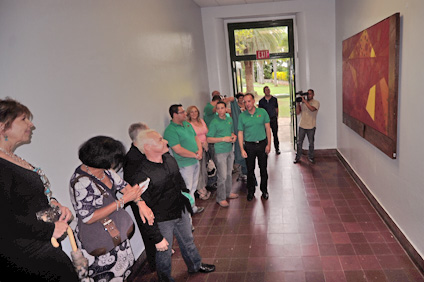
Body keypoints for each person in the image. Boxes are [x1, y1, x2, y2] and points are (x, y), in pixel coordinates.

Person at [0, 98, 78, 281]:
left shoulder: (10, 158)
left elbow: (27, 203)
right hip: (26, 254)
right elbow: (4, 220)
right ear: (3, 126)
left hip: (40, 247)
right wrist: (48, 230)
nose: (31, 124)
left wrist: (55, 207)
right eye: (24, 119)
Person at [125, 129, 215, 282]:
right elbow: (144, 211)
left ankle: (195, 265)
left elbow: (178, 181)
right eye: (160, 140)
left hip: (179, 210)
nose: (166, 141)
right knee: (164, 252)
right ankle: (165, 279)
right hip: (161, 219)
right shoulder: (141, 175)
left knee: (188, 241)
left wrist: (186, 197)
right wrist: (156, 237)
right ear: (147, 147)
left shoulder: (169, 159)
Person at [69, 136, 154, 281]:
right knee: (108, 276)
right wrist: (122, 202)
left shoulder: (106, 171)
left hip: (115, 230)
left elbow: (125, 187)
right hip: (99, 237)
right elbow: (88, 217)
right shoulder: (81, 183)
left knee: (124, 270)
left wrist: (140, 203)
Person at [123, 122, 158, 271]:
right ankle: (155, 265)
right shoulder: (132, 157)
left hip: (150, 199)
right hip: (141, 201)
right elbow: (132, 183)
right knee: (148, 232)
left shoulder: (142, 151)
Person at [163, 104, 204, 214]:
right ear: (175, 115)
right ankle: (187, 216)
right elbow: (178, 149)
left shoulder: (187, 124)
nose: (185, 114)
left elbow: (196, 138)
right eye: (182, 112)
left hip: (195, 160)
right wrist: (195, 155)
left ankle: (193, 208)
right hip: (184, 165)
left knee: (193, 187)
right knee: (187, 189)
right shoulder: (170, 130)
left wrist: (199, 151)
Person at [238, 93, 272, 201]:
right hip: (249, 146)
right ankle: (251, 191)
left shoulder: (262, 112)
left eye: (249, 101)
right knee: (250, 170)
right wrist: (242, 149)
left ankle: (264, 190)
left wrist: (269, 144)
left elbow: (268, 129)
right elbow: (240, 133)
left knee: (263, 169)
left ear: (253, 101)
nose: (247, 104)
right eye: (245, 102)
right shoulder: (242, 116)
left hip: (262, 144)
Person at [207, 101, 239, 207]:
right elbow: (209, 139)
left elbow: (231, 132)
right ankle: (220, 198)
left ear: (226, 109)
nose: (220, 110)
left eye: (222, 108)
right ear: (216, 110)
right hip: (220, 152)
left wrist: (233, 136)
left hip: (230, 149)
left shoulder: (229, 119)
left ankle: (228, 193)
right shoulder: (214, 122)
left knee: (229, 174)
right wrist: (223, 139)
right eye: (218, 108)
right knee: (223, 176)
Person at [186, 105, 211, 200]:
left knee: (204, 169)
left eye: (195, 111)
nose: (194, 113)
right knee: (199, 171)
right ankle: (201, 191)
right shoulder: (187, 124)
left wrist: (206, 142)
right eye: (191, 112)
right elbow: (190, 138)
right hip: (197, 149)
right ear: (188, 113)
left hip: (206, 148)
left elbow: (207, 132)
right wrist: (201, 144)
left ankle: (203, 187)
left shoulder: (202, 121)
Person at [294, 89, 320, 164]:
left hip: (311, 126)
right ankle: (298, 157)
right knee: (299, 142)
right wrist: (298, 104)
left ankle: (311, 157)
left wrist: (304, 101)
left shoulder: (316, 102)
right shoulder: (303, 103)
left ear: (313, 94)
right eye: (307, 94)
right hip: (302, 125)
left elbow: (312, 109)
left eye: (310, 94)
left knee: (311, 143)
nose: (308, 95)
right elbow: (298, 113)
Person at [230, 93, 248, 181]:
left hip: (247, 134)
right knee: (240, 153)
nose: (241, 100)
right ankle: (242, 173)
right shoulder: (236, 109)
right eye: (240, 98)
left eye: (242, 98)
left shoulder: (247, 107)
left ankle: (247, 172)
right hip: (240, 135)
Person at [259, 86, 280, 155]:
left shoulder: (274, 99)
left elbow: (276, 108)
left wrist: (276, 116)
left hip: (273, 119)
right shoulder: (261, 101)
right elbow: (260, 111)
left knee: (275, 135)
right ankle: (266, 150)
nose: (268, 91)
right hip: (265, 121)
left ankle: (277, 149)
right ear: (264, 92)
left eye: (268, 90)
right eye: (266, 90)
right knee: (265, 136)